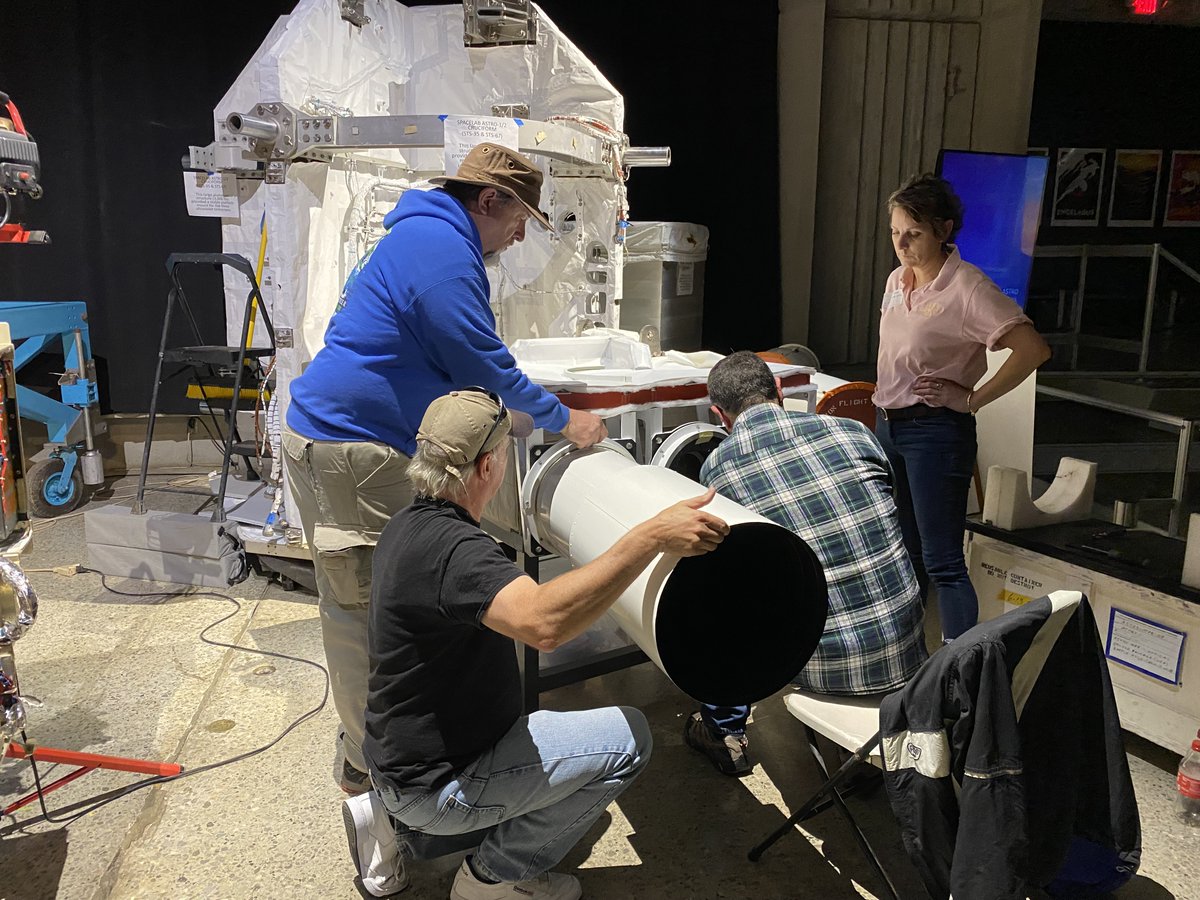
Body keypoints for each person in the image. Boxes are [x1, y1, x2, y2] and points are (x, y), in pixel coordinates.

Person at [281, 142, 608, 793]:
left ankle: (382, 747)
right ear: (489, 201)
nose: (518, 240)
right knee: (363, 613)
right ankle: (372, 771)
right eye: (518, 223)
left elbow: (449, 361)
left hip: (352, 445)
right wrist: (563, 419)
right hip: (352, 454)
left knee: (379, 605)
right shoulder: (441, 256)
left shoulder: (427, 238)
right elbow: (482, 362)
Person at [342, 387, 728, 900]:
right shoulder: (458, 552)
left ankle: (387, 821)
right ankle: (493, 879)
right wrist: (650, 536)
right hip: (437, 783)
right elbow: (547, 624)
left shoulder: (408, 524)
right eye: (505, 451)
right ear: (487, 468)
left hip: (398, 761)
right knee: (629, 740)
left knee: (549, 744)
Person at [681, 351, 928, 776]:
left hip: (821, 667)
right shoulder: (853, 432)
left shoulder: (717, 470)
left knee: (721, 598)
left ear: (718, 415)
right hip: (911, 652)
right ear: (779, 392)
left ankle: (725, 732)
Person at [874, 173, 1051, 641]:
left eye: (913, 234)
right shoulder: (897, 280)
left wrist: (971, 398)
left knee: (943, 561)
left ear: (943, 230)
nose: (902, 244)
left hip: (935, 430)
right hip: (890, 425)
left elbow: (1032, 350)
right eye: (895, 232)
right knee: (904, 550)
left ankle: (960, 676)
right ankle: (907, 658)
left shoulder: (968, 288)